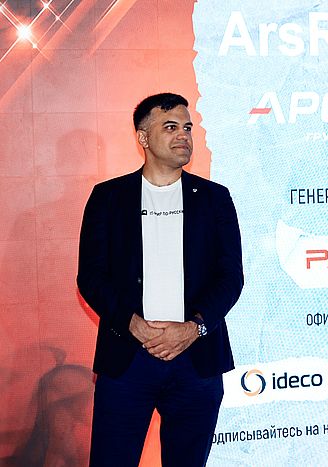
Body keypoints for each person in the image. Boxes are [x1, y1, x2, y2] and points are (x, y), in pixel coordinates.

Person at [77, 93, 243, 467]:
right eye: (170, 127)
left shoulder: (215, 199)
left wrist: (194, 328)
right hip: (127, 359)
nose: (183, 135)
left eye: (188, 127)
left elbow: (230, 277)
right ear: (143, 138)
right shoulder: (108, 198)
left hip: (196, 361)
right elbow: (91, 277)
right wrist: (132, 324)